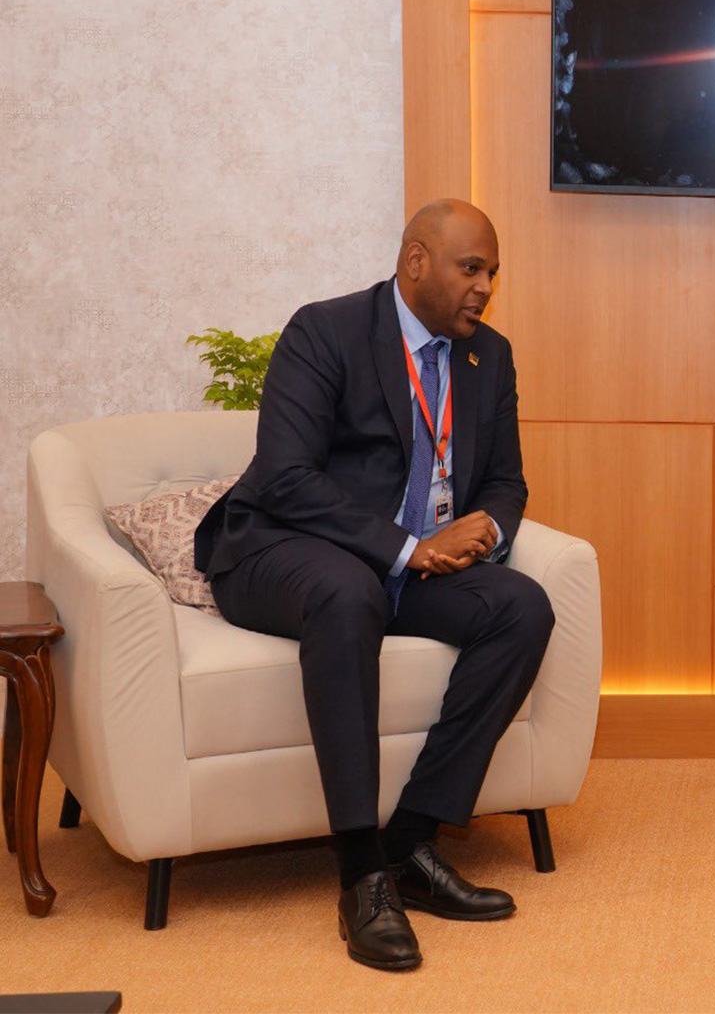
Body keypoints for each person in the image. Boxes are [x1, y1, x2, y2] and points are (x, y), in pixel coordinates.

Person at [194, 199, 555, 971]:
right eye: (471, 268)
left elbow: (506, 482)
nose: (485, 286)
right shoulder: (325, 332)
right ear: (416, 261)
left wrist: (482, 532)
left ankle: (411, 844)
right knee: (346, 592)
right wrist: (409, 548)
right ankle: (361, 874)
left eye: (492, 273)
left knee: (521, 606)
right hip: (285, 548)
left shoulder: (489, 357)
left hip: (406, 563)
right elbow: (286, 478)